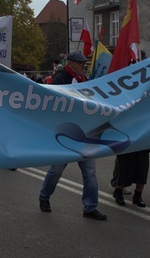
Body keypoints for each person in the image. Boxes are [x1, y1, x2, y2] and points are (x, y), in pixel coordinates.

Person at [38, 51, 107, 221]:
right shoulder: (60, 79)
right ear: (70, 63)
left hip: (85, 133)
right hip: (66, 134)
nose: (84, 66)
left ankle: (90, 207)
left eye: (84, 63)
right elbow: (53, 104)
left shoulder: (85, 80)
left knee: (90, 172)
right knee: (56, 170)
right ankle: (44, 196)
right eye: (81, 63)